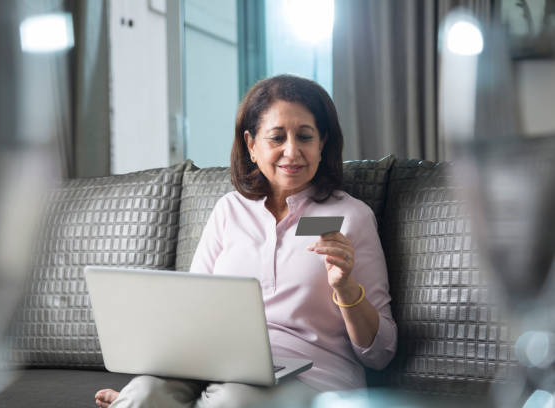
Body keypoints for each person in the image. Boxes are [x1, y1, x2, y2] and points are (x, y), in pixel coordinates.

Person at [95, 75, 397, 408]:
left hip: (315, 379)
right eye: (277, 137)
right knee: (143, 392)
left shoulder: (351, 216)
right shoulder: (229, 210)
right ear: (251, 145)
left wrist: (346, 288)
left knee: (232, 401)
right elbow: (191, 312)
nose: (292, 151)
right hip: (220, 368)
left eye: (305, 137)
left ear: (322, 143)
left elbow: (381, 352)